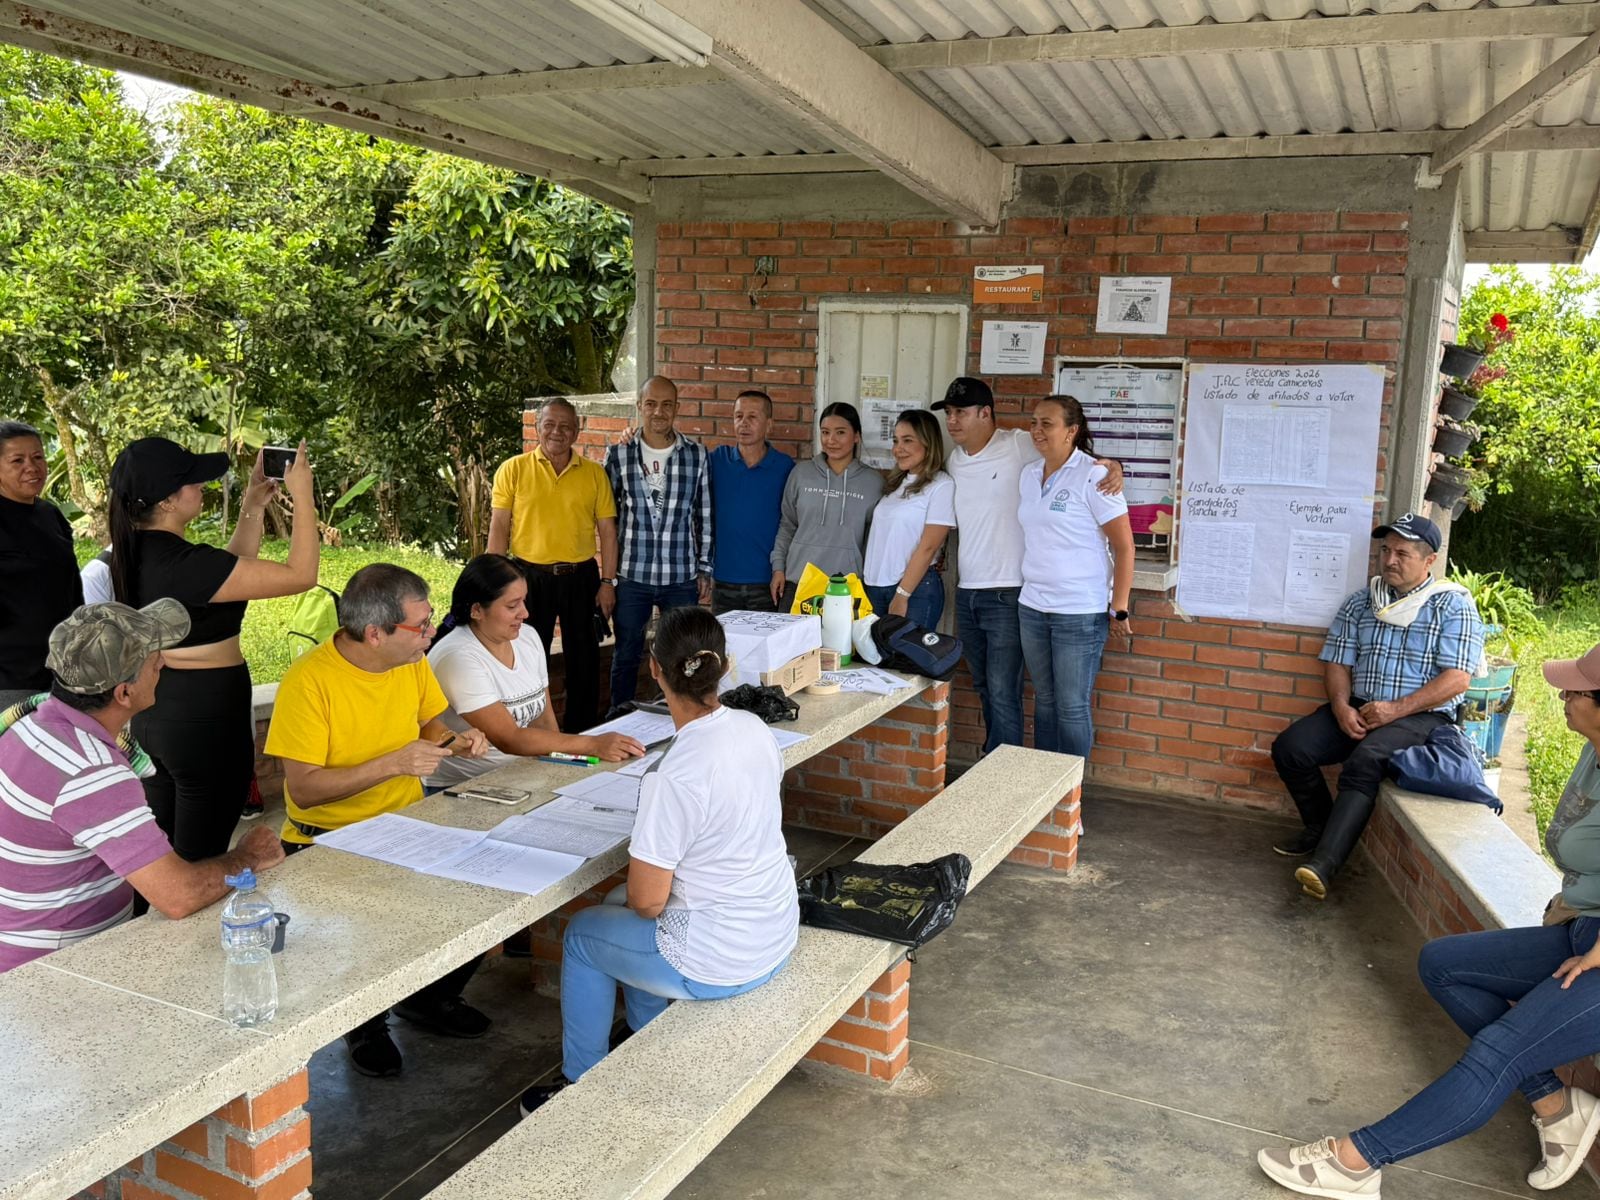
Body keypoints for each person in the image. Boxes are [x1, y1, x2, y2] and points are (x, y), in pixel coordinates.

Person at [1257, 643, 1600, 1198]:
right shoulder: (1594, 752)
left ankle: (1356, 1161)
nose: (1562, 695)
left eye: (1576, 691)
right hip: (1583, 929)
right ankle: (1558, 1106)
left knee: (1498, 1052)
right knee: (1443, 964)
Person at [518, 606, 798, 1116]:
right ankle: (644, 1034)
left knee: (583, 935)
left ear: (654, 669)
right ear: (726, 665)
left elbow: (650, 903)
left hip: (722, 959)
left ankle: (579, 1086)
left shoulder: (673, 776)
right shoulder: (755, 728)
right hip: (774, 929)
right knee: (614, 902)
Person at [265, 563, 493, 1076]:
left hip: (408, 821)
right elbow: (302, 788)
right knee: (365, 938)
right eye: (421, 626)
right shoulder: (309, 681)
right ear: (375, 633)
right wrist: (393, 763)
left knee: (487, 894)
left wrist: (454, 739)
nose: (431, 633)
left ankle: (431, 998)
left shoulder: (409, 660)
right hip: (327, 839)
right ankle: (365, 1027)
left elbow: (427, 722)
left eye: (430, 620)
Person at [0, 600, 284, 973]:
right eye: (153, 661)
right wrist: (247, 857)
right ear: (124, 694)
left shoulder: (30, 722)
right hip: (60, 968)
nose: (162, 664)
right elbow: (178, 896)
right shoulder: (91, 771)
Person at [108, 437, 319, 861]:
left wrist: (254, 503)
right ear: (168, 500)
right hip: (203, 718)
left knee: (162, 852)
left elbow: (227, 578)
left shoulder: (134, 554)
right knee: (201, 858)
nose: (200, 486)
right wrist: (303, 496)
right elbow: (301, 575)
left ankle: (150, 924)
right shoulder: (185, 564)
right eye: (191, 481)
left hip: (157, 713)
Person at [1270, 513, 1484, 900]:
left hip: (1420, 718)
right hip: (1359, 708)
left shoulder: (1451, 606)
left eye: (1402, 553)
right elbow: (1337, 661)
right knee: (1291, 748)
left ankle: (1325, 864)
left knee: (1364, 762)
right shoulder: (1361, 602)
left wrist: (1396, 710)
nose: (1389, 561)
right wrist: (1340, 707)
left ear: (1429, 560)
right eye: (1385, 550)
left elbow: (1457, 679)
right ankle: (1320, 829)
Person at [937, 378, 1123, 757]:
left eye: (960, 412)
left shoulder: (1019, 444)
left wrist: (1113, 466)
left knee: (1017, 692)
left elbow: (1076, 458)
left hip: (1014, 593)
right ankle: (1019, 773)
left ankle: (1014, 779)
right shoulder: (955, 461)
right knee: (994, 689)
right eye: (948, 413)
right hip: (980, 591)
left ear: (985, 413)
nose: (952, 420)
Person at [425, 554, 646, 790]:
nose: (525, 613)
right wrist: (592, 744)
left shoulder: (527, 637)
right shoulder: (458, 657)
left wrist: (561, 767)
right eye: (512, 606)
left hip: (524, 773)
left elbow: (545, 720)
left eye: (524, 601)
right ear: (477, 610)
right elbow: (509, 738)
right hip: (466, 787)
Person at [487, 397, 619, 733]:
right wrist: (492, 583)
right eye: (549, 424)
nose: (557, 432)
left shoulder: (594, 474)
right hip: (530, 578)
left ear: (577, 430)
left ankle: (584, 733)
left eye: (565, 426)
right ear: (537, 427)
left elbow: (607, 531)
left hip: (581, 578)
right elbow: (499, 526)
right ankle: (528, 734)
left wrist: (608, 583)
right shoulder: (513, 469)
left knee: (585, 662)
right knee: (527, 657)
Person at [1016, 395, 1134, 760]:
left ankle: (1070, 796)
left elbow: (1125, 546)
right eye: (1034, 422)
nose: (1037, 430)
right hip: (1033, 607)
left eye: (1047, 423)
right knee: (1045, 701)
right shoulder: (1029, 473)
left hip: (1078, 613)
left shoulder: (1094, 474)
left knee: (1070, 706)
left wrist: (1120, 609)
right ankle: (1044, 788)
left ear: (1072, 431)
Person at [603, 376, 713, 709]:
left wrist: (704, 567)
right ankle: (618, 717)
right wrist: (608, 575)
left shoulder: (696, 455)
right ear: (639, 407)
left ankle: (683, 716)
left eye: (667, 405)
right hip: (632, 576)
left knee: (683, 655)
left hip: (679, 576)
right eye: (650, 404)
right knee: (625, 654)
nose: (658, 412)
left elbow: (704, 515)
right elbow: (608, 517)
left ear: (677, 408)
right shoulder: (619, 454)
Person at [770, 401, 885, 611]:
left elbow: (873, 540)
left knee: (839, 646)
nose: (831, 440)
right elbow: (787, 525)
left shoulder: (873, 482)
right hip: (798, 582)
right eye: (825, 432)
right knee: (794, 645)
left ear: (856, 436)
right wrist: (778, 568)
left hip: (845, 587)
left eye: (840, 432)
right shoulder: (801, 474)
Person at [0, 421, 82, 708]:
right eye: (17, 460)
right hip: (11, 682)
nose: (32, 467)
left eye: (37, 457)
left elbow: (72, 588)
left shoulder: (51, 515)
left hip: (63, 674)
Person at [860, 408, 956, 629]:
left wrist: (902, 594)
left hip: (913, 590)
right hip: (875, 588)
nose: (898, 449)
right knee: (876, 662)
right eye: (895, 441)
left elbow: (929, 547)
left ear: (928, 443)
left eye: (907, 441)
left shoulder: (941, 485)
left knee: (907, 662)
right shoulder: (896, 484)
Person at [708, 389, 794, 615]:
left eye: (752, 417)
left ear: (769, 424)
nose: (743, 423)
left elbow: (792, 522)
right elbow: (676, 456)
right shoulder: (716, 460)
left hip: (768, 582)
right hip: (724, 580)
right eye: (738, 416)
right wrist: (633, 436)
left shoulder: (786, 468)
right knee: (724, 649)